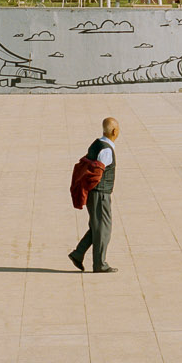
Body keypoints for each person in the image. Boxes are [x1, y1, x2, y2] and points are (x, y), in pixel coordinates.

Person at [69, 117, 119, 273]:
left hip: (96, 194)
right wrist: (93, 190)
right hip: (100, 194)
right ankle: (99, 264)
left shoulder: (96, 143)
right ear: (114, 131)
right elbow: (96, 174)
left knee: (97, 227)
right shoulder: (106, 150)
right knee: (104, 228)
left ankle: (78, 254)